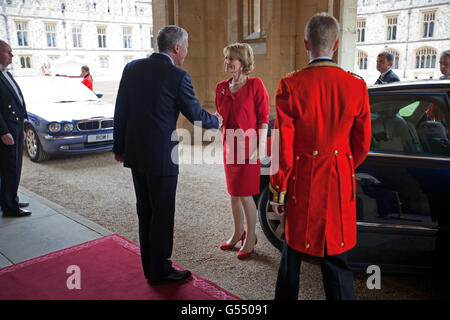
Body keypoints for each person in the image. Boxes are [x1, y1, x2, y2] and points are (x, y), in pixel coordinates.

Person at [270, 13, 371, 300]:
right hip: (339, 181)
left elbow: (283, 147)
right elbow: (362, 144)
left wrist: (278, 191)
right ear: (336, 44)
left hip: (303, 180)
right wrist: (342, 164)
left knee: (292, 252)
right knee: (336, 258)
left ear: (306, 44)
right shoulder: (356, 85)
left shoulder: (291, 85)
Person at [113, 25, 221, 285]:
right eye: (185, 47)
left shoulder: (132, 68)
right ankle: (161, 270)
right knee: (162, 214)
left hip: (136, 153)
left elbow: (121, 108)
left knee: (145, 211)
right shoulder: (177, 76)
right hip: (162, 157)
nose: (186, 51)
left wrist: (119, 147)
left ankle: (149, 268)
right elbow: (195, 114)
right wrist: (216, 120)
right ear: (176, 48)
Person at [215, 43, 269, 259]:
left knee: (246, 194)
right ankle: (238, 232)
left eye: (232, 59)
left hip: (250, 147)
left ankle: (251, 237)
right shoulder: (221, 86)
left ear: (243, 62)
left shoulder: (256, 85)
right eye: (226, 58)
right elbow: (220, 117)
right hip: (230, 145)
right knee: (233, 193)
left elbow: (263, 117)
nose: (227, 62)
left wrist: (261, 145)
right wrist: (214, 122)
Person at [0, 40, 31, 217]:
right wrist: (3, 131)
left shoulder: (7, 74)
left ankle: (10, 198)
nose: (12, 56)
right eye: (7, 52)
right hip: (8, 130)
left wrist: (24, 125)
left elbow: (18, 101)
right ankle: (10, 207)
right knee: (10, 167)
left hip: (16, 126)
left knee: (15, 166)